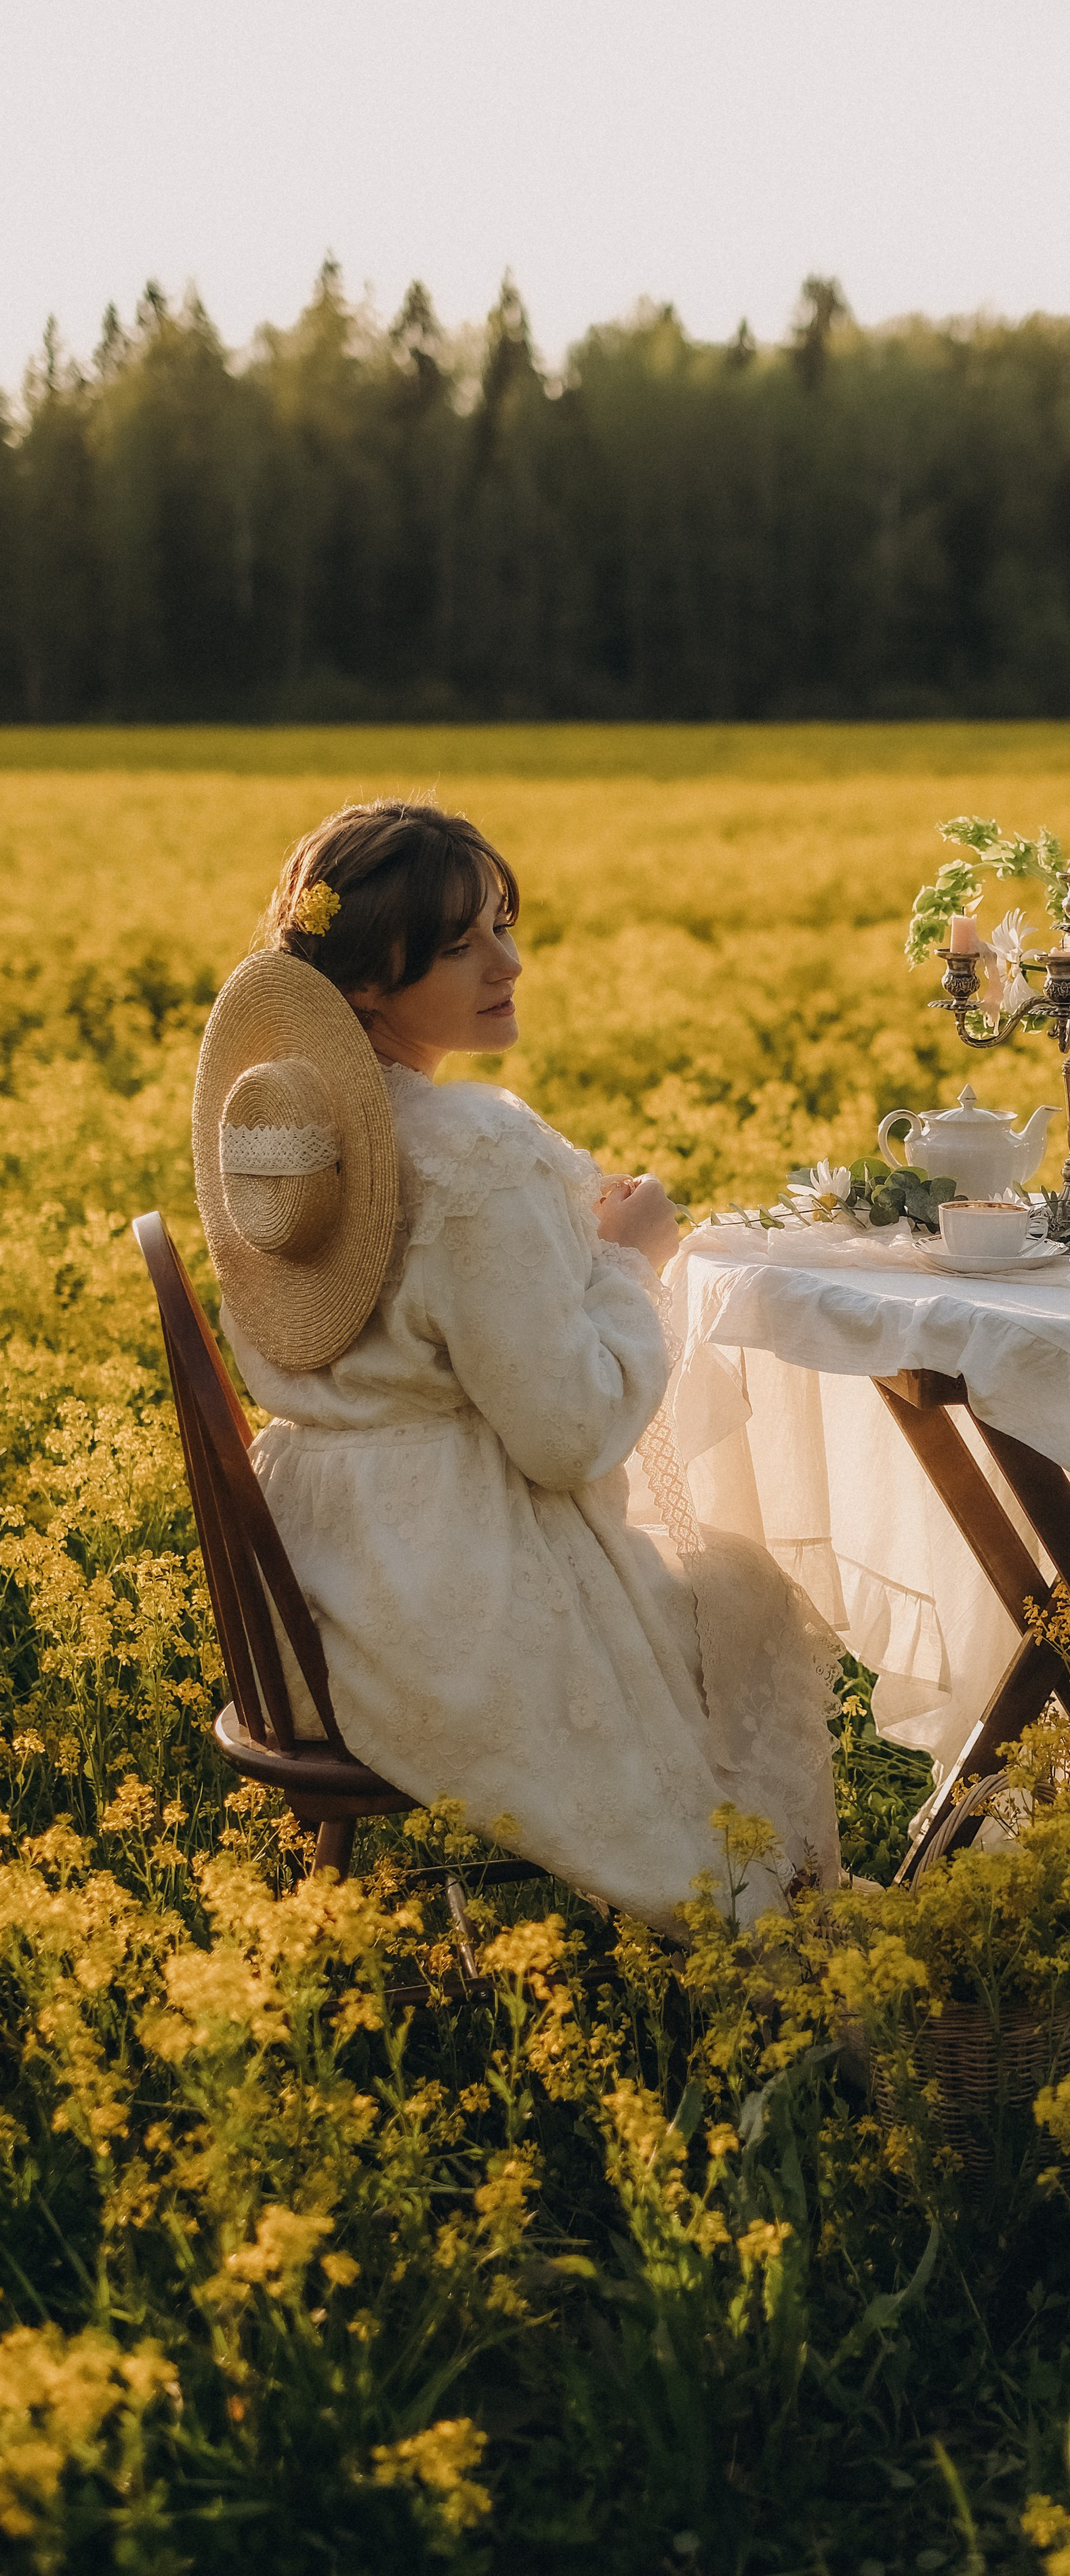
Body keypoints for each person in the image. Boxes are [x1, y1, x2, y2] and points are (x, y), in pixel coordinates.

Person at [190, 797, 841, 1926]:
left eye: (502, 926)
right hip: (444, 1605)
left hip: (309, 1599)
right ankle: (761, 1905)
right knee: (751, 1592)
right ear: (368, 985)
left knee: (721, 1581)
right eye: (461, 945)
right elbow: (568, 1435)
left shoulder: (289, 1131)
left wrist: (559, 1259)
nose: (509, 963)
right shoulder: (475, 1150)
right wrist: (627, 1262)